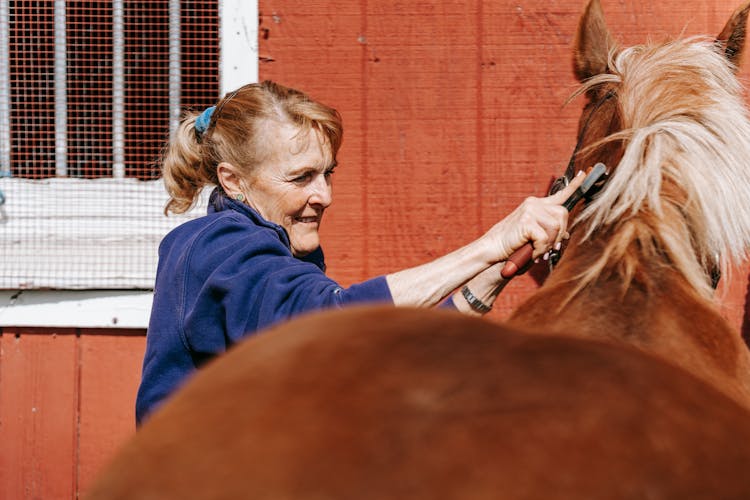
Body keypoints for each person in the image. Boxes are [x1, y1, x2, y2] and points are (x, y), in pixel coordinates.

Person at [135, 80, 584, 425]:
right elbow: (334, 322)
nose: (324, 195)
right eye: (301, 177)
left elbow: (372, 353)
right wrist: (493, 242)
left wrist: (491, 274)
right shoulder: (220, 246)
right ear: (233, 181)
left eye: (328, 174)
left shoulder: (273, 248)